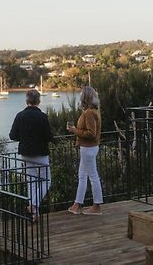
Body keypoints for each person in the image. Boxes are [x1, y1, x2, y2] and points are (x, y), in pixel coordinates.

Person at [9, 89, 54, 222]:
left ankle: (34, 214)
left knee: (32, 182)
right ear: (39, 101)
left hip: (25, 154)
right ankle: (33, 206)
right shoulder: (42, 116)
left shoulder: (20, 115)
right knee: (46, 181)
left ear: (27, 100)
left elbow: (13, 136)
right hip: (40, 154)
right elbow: (49, 136)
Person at [67, 86, 103, 215]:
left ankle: (97, 206)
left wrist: (74, 130)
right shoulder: (94, 111)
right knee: (82, 176)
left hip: (88, 148)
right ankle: (77, 204)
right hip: (89, 148)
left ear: (85, 97)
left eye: (81, 94)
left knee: (93, 176)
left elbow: (91, 133)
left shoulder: (89, 113)